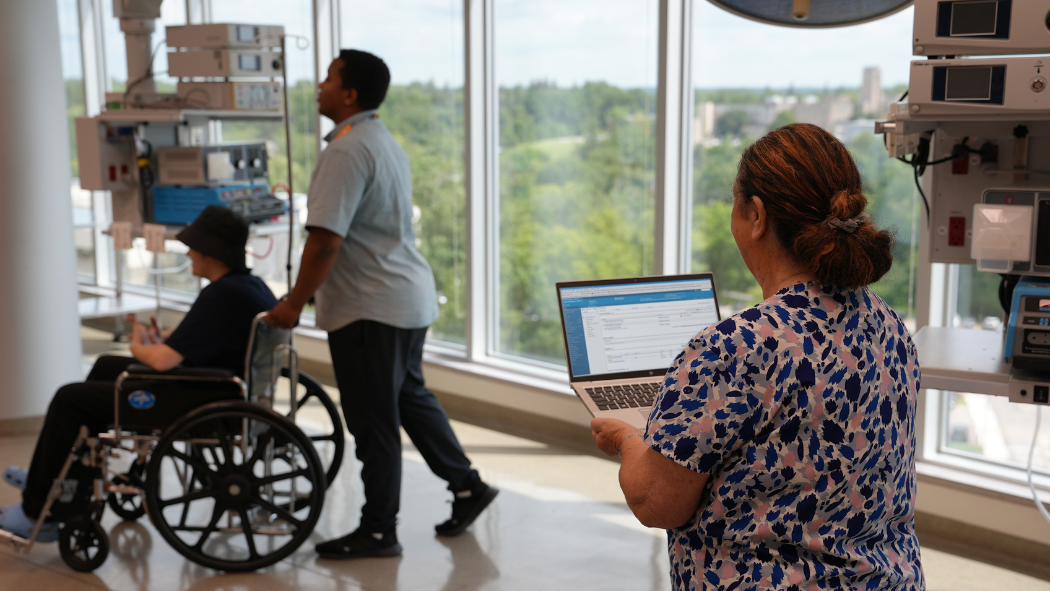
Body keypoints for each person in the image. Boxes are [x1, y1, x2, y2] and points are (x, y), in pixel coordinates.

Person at [591, 123, 924, 590]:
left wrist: (629, 439)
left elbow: (656, 503)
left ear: (756, 216)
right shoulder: (888, 325)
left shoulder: (736, 347)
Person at [265, 49, 496, 560]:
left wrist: (293, 304)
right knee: (409, 398)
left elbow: (325, 240)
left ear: (349, 93)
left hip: (370, 308)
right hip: (403, 299)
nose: (318, 86)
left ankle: (377, 530)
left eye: (327, 78)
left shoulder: (346, 151)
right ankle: (468, 487)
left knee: (374, 421)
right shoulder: (380, 138)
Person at [0, 206, 277, 541]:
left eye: (193, 247)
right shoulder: (250, 286)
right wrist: (160, 342)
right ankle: (56, 474)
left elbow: (160, 362)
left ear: (211, 251)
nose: (188, 253)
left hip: (197, 398)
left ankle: (37, 513)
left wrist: (138, 346)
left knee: (69, 399)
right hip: (218, 387)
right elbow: (199, 340)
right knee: (104, 365)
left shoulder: (220, 294)